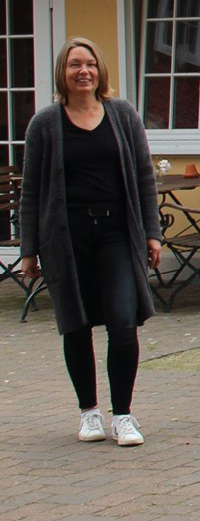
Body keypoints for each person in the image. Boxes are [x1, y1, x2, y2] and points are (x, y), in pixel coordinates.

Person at [18, 38, 163, 447]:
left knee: (122, 321)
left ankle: (123, 416)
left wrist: (152, 233)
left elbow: (143, 177)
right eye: (74, 65)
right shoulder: (45, 123)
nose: (83, 71)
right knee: (76, 325)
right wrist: (28, 249)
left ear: (100, 71)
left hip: (117, 233)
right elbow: (31, 191)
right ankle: (89, 413)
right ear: (63, 74)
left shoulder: (122, 115)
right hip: (66, 238)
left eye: (90, 65)